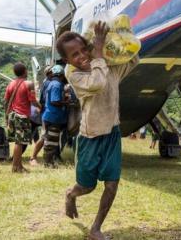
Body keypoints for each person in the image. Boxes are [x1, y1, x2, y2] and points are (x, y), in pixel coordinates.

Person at [58, 21, 138, 240]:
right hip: (90, 138)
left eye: (84, 49)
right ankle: (71, 194)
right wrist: (100, 48)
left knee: (112, 184)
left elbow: (133, 58)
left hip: (112, 133)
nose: (82, 55)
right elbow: (98, 83)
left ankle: (96, 228)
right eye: (74, 54)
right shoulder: (75, 76)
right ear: (67, 61)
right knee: (87, 186)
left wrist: (122, 36)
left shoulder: (106, 66)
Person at [5, 62, 41, 173]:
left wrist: (6, 118)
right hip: (22, 115)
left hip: (12, 115)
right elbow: (33, 100)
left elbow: (6, 102)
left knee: (18, 141)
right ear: (25, 71)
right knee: (19, 142)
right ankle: (17, 167)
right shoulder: (29, 84)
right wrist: (41, 107)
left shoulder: (10, 84)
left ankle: (17, 165)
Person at [41, 65, 69, 167]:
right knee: (51, 142)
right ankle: (48, 163)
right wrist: (66, 103)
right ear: (61, 75)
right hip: (54, 117)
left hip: (50, 116)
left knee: (50, 141)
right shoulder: (57, 85)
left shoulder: (52, 83)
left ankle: (49, 162)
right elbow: (54, 101)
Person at [30, 66, 53, 166]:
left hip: (42, 113)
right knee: (44, 136)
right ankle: (33, 157)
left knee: (44, 136)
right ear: (49, 74)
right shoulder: (48, 83)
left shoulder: (45, 82)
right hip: (43, 113)